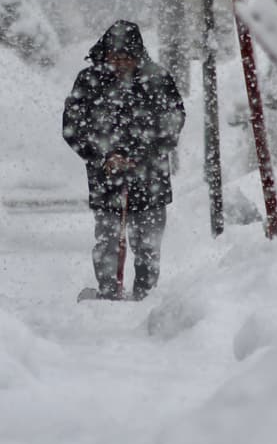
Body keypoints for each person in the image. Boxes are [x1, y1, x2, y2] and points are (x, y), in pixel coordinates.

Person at [62, 20, 185, 300]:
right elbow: (72, 126)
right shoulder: (88, 81)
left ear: (138, 55)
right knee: (107, 240)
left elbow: (172, 123)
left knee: (148, 243)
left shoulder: (157, 79)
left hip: (150, 178)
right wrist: (102, 156)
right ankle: (108, 292)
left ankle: (146, 295)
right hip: (106, 177)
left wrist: (140, 157)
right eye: (114, 57)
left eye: (127, 58)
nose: (120, 64)